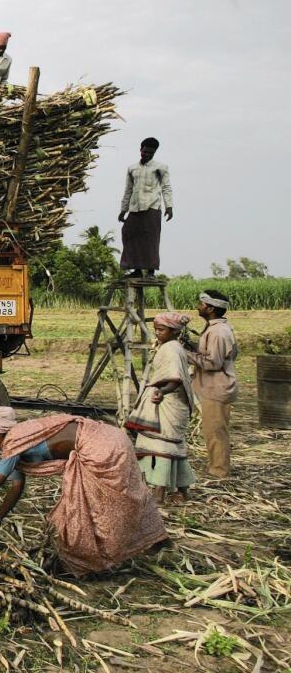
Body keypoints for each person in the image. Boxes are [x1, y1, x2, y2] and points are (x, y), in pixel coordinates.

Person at [0, 406, 167, 576]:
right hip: (112, 437)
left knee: (93, 509)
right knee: (125, 495)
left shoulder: (13, 441)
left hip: (100, 449)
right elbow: (16, 487)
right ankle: (155, 540)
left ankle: (87, 560)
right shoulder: (22, 436)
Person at [127, 311, 196, 504]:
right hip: (170, 403)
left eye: (162, 330)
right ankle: (182, 492)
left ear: (174, 331)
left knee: (162, 447)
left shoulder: (172, 349)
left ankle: (159, 492)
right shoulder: (170, 346)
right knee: (173, 449)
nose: (157, 333)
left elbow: (175, 378)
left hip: (169, 404)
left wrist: (162, 392)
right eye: (156, 329)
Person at [184, 290, 238, 478]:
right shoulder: (215, 329)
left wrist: (186, 355)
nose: (199, 307)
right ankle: (216, 466)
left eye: (201, 304)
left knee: (216, 432)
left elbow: (213, 363)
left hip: (217, 388)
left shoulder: (218, 332)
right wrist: (192, 347)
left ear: (211, 308)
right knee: (213, 430)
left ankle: (219, 471)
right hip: (212, 387)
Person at [117, 137, 173, 277]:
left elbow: (166, 187)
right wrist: (123, 210)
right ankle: (136, 270)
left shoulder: (160, 167)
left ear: (154, 152)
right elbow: (128, 190)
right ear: (141, 149)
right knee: (129, 234)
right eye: (145, 151)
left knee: (150, 238)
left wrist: (169, 207)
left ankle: (150, 271)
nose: (147, 154)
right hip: (134, 207)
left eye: (150, 152)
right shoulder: (132, 169)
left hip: (152, 207)